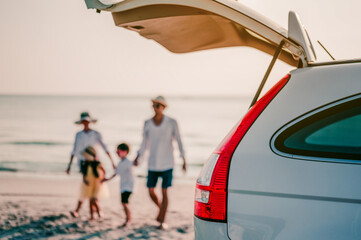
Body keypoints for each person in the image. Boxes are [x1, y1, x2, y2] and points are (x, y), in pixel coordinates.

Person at [134, 95, 187, 229]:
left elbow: (179, 140)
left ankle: (162, 220)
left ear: (163, 107)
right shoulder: (147, 123)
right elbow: (143, 144)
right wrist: (138, 157)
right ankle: (161, 209)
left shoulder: (171, 122)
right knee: (150, 191)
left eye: (158, 105)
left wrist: (183, 158)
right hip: (153, 163)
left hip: (168, 163)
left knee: (164, 191)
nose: (155, 108)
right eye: (153, 105)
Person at [66, 111, 115, 218]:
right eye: (83, 121)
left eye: (87, 121)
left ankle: (95, 211)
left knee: (94, 189)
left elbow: (104, 147)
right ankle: (82, 211)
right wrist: (69, 166)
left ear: (90, 122)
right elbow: (74, 150)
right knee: (85, 187)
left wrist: (112, 162)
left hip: (95, 165)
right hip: (84, 164)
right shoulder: (79, 135)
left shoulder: (96, 134)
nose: (85, 123)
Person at [71, 146, 109, 220]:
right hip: (88, 184)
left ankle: (99, 212)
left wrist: (103, 179)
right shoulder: (84, 164)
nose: (85, 158)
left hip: (96, 184)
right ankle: (91, 216)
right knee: (86, 199)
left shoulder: (97, 163)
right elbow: (84, 174)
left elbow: (103, 171)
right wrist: (84, 180)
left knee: (93, 200)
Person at [103, 143, 134, 227]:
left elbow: (134, 164)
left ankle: (129, 219)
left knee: (124, 202)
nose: (117, 153)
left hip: (128, 186)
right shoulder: (120, 163)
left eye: (119, 151)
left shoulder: (128, 162)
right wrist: (106, 179)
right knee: (124, 202)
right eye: (117, 152)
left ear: (125, 152)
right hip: (123, 186)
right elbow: (116, 173)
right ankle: (128, 219)